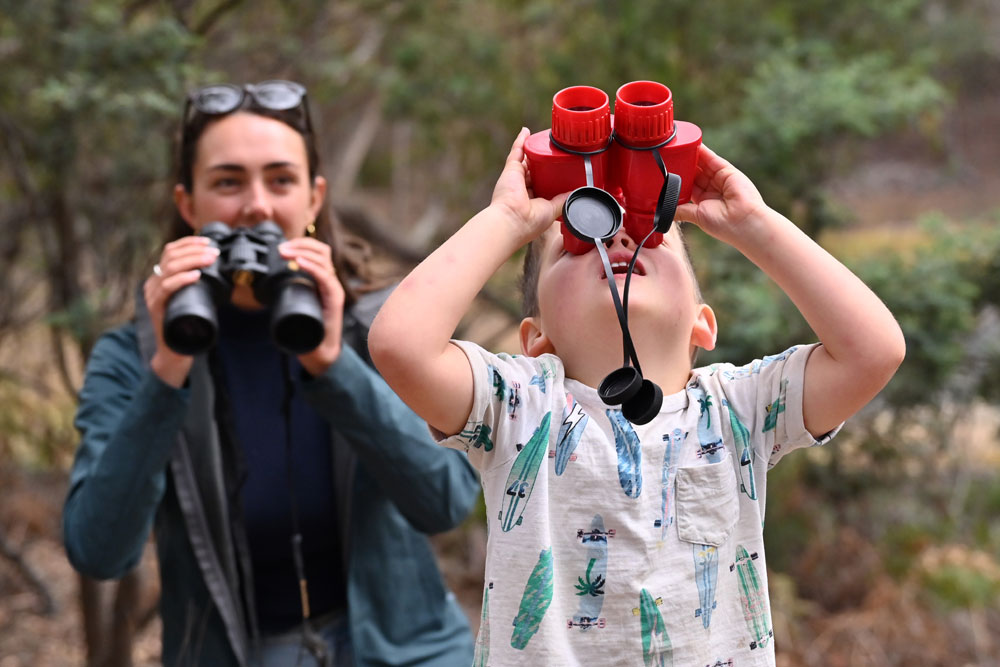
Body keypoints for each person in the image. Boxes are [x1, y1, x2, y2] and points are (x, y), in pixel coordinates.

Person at [367, 128, 905, 665]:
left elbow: (873, 352)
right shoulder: (519, 408)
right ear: (535, 339)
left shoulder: (739, 409)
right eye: (581, 239)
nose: (619, 239)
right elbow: (400, 346)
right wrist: (508, 221)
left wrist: (754, 226)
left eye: (653, 233)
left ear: (702, 323)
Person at [63, 80, 479, 667]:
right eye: (228, 182)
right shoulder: (133, 357)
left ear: (314, 199)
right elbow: (98, 550)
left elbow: (446, 501)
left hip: (403, 652)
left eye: (280, 180)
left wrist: (334, 365)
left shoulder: (379, 332)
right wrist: (167, 370)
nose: (256, 205)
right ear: (188, 205)